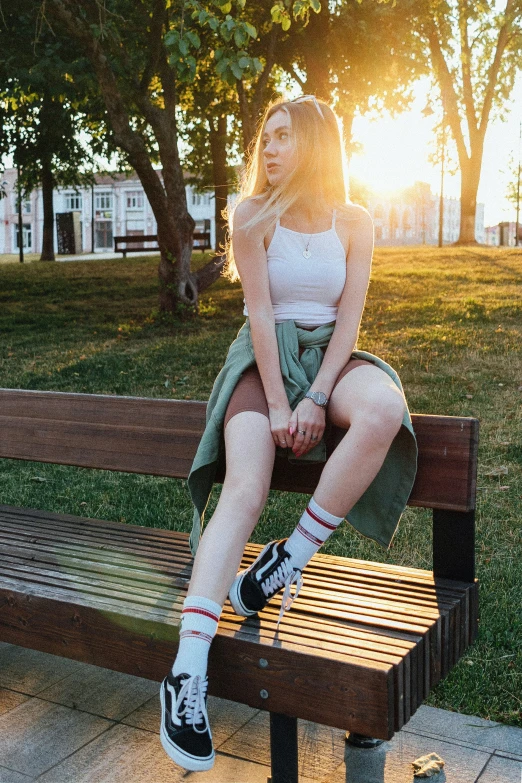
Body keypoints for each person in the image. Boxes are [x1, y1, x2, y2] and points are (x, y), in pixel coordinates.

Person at [159, 95, 417, 772]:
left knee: (385, 409)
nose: (267, 150)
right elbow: (260, 312)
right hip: (265, 357)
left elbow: (351, 320)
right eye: (264, 138)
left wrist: (320, 395)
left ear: (314, 145)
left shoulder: (355, 220)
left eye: (282, 137)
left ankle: (289, 559)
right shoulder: (251, 216)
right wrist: (279, 403)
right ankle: (187, 671)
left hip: (330, 355)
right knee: (244, 489)